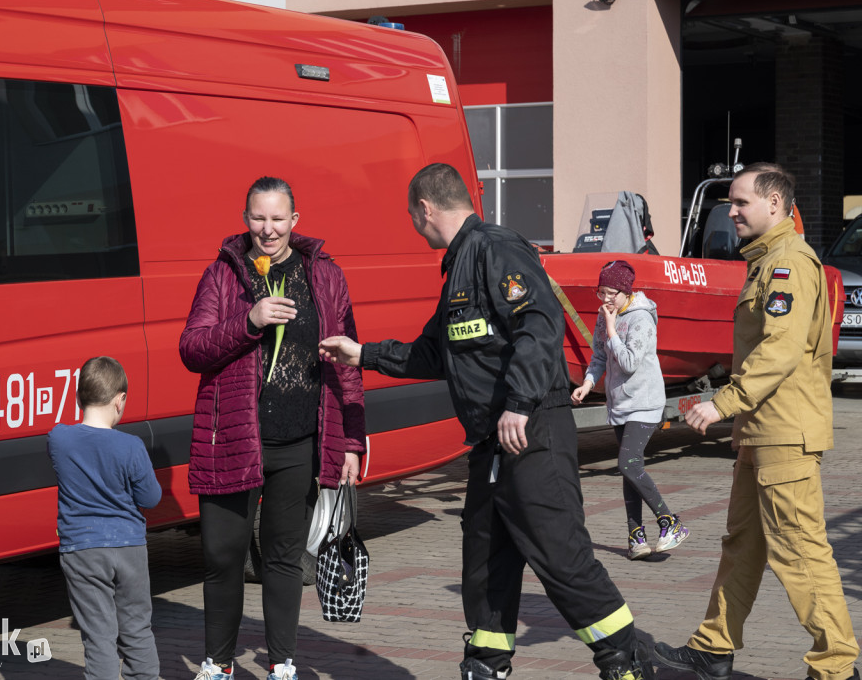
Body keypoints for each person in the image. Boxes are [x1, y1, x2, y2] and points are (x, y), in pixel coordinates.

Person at [318, 163, 654, 680]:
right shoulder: (461, 270)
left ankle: (625, 659)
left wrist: (519, 402)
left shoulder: (495, 250)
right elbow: (434, 353)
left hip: (532, 429)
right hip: (491, 444)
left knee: (559, 554)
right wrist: (362, 354)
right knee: (485, 560)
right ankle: (486, 663)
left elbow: (538, 326)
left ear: (425, 210)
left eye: (412, 214)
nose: (413, 222)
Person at [654, 163, 860, 680]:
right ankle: (713, 648)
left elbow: (780, 350)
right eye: (730, 202)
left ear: (775, 204)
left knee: (799, 550)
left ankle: (836, 666)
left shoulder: (789, 263)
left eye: (741, 201)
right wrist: (743, 423)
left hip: (785, 434)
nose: (732, 211)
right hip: (764, 432)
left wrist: (722, 403)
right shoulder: (767, 260)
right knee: (744, 543)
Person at [179, 176, 366, 680]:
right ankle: (217, 664)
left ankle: (283, 662)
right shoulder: (223, 275)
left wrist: (351, 440)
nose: (268, 229)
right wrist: (249, 320)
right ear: (246, 219)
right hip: (234, 440)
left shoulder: (323, 275)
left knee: (284, 560)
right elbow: (192, 349)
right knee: (223, 558)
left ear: (295, 220)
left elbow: (347, 363)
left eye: (278, 218)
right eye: (259, 218)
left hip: (299, 441)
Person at [46, 356, 163, 680]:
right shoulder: (131, 446)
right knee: (137, 630)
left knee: (98, 637)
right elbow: (151, 498)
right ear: (120, 400)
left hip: (81, 549)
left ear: (78, 397)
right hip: (129, 547)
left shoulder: (59, 439)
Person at [571, 260, 690, 560]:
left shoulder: (640, 320)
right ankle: (636, 536)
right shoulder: (605, 316)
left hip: (645, 403)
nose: (606, 299)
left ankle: (670, 522)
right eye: (602, 292)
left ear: (626, 290)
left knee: (628, 463)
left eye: (612, 293)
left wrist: (611, 328)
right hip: (620, 404)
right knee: (630, 469)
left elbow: (628, 363)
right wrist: (587, 383)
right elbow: (600, 355)